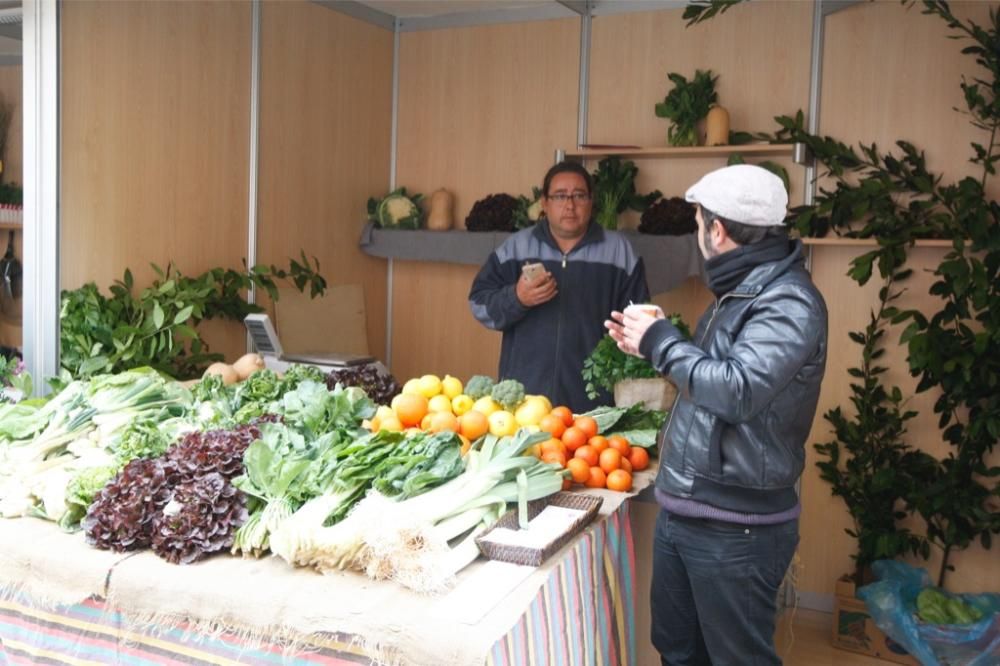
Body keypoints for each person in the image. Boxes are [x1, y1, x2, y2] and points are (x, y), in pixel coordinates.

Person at [606, 164, 828, 665]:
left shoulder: (790, 301)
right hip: (687, 510)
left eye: (699, 221)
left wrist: (662, 344)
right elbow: (714, 378)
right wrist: (655, 344)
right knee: (680, 651)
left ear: (718, 230)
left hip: (737, 526)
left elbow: (737, 390)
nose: (699, 232)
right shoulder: (741, 291)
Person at [469, 161, 649, 412]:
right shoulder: (517, 247)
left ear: (591, 201)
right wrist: (517, 298)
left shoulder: (619, 252)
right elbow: (478, 303)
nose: (570, 205)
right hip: (524, 398)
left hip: (594, 399)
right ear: (545, 203)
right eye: (560, 196)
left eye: (579, 195)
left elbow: (640, 322)